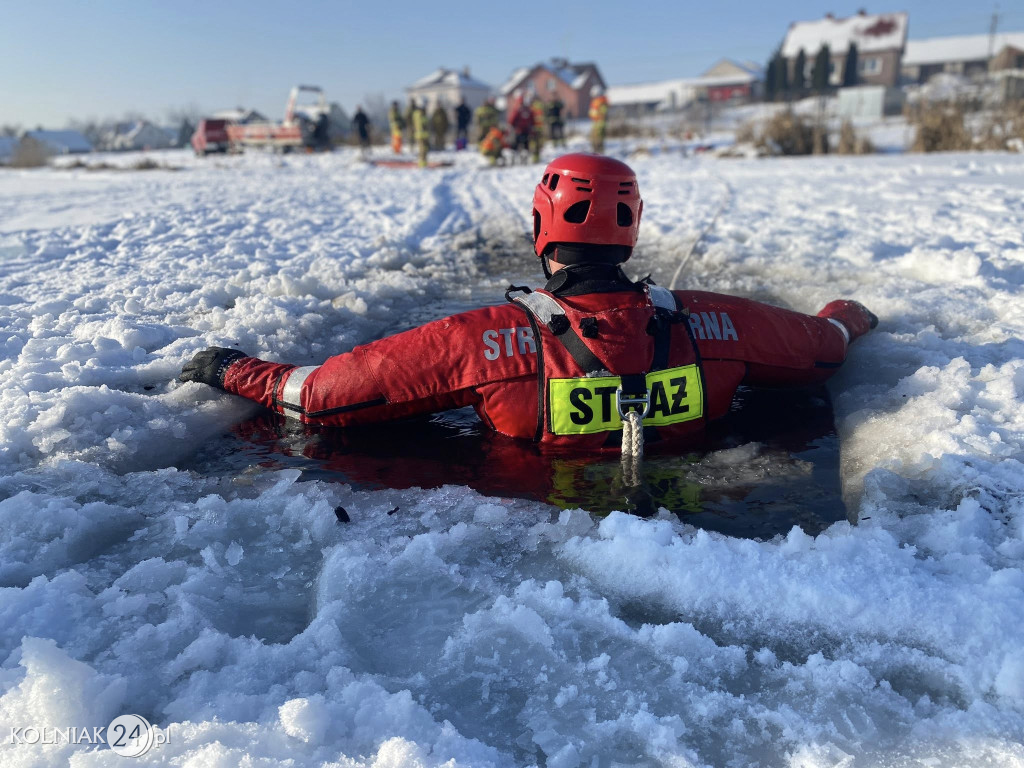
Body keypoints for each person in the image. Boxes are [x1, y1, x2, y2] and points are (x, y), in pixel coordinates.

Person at [181, 153, 877, 454]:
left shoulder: (479, 341)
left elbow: (320, 397)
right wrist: (848, 311)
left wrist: (228, 366)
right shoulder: (716, 325)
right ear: (628, 235)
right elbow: (825, 349)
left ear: (542, 230)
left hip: (540, 553)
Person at [588, 85, 609, 154]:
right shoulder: (596, 101)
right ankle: (595, 152)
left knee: (598, 138)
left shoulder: (602, 101)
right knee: (594, 138)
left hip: (600, 122)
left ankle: (599, 152)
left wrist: (600, 118)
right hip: (595, 122)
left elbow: (603, 112)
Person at [411, 101, 429, 168]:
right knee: (423, 150)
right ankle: (422, 165)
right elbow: (423, 123)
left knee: (422, 149)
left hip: (420, 134)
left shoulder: (415, 113)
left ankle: (423, 164)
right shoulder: (421, 114)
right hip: (422, 135)